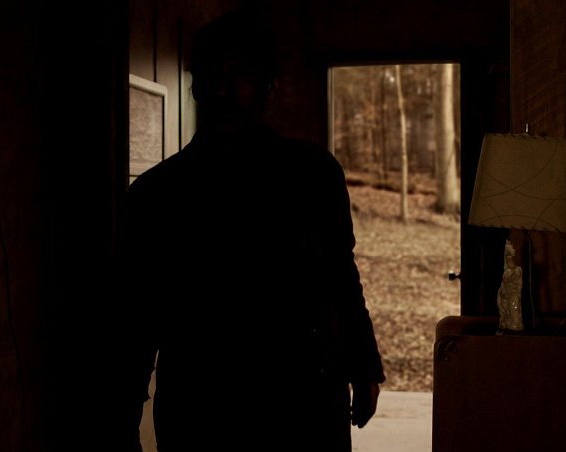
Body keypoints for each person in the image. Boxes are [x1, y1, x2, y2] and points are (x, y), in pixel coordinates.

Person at [115, 9, 385, 452]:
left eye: (240, 75)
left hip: (301, 401)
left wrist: (363, 367)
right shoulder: (156, 194)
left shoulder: (314, 175)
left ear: (269, 85)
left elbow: (340, 275)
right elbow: (135, 317)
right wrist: (122, 415)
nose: (224, 89)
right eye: (213, 75)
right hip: (202, 409)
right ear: (196, 85)